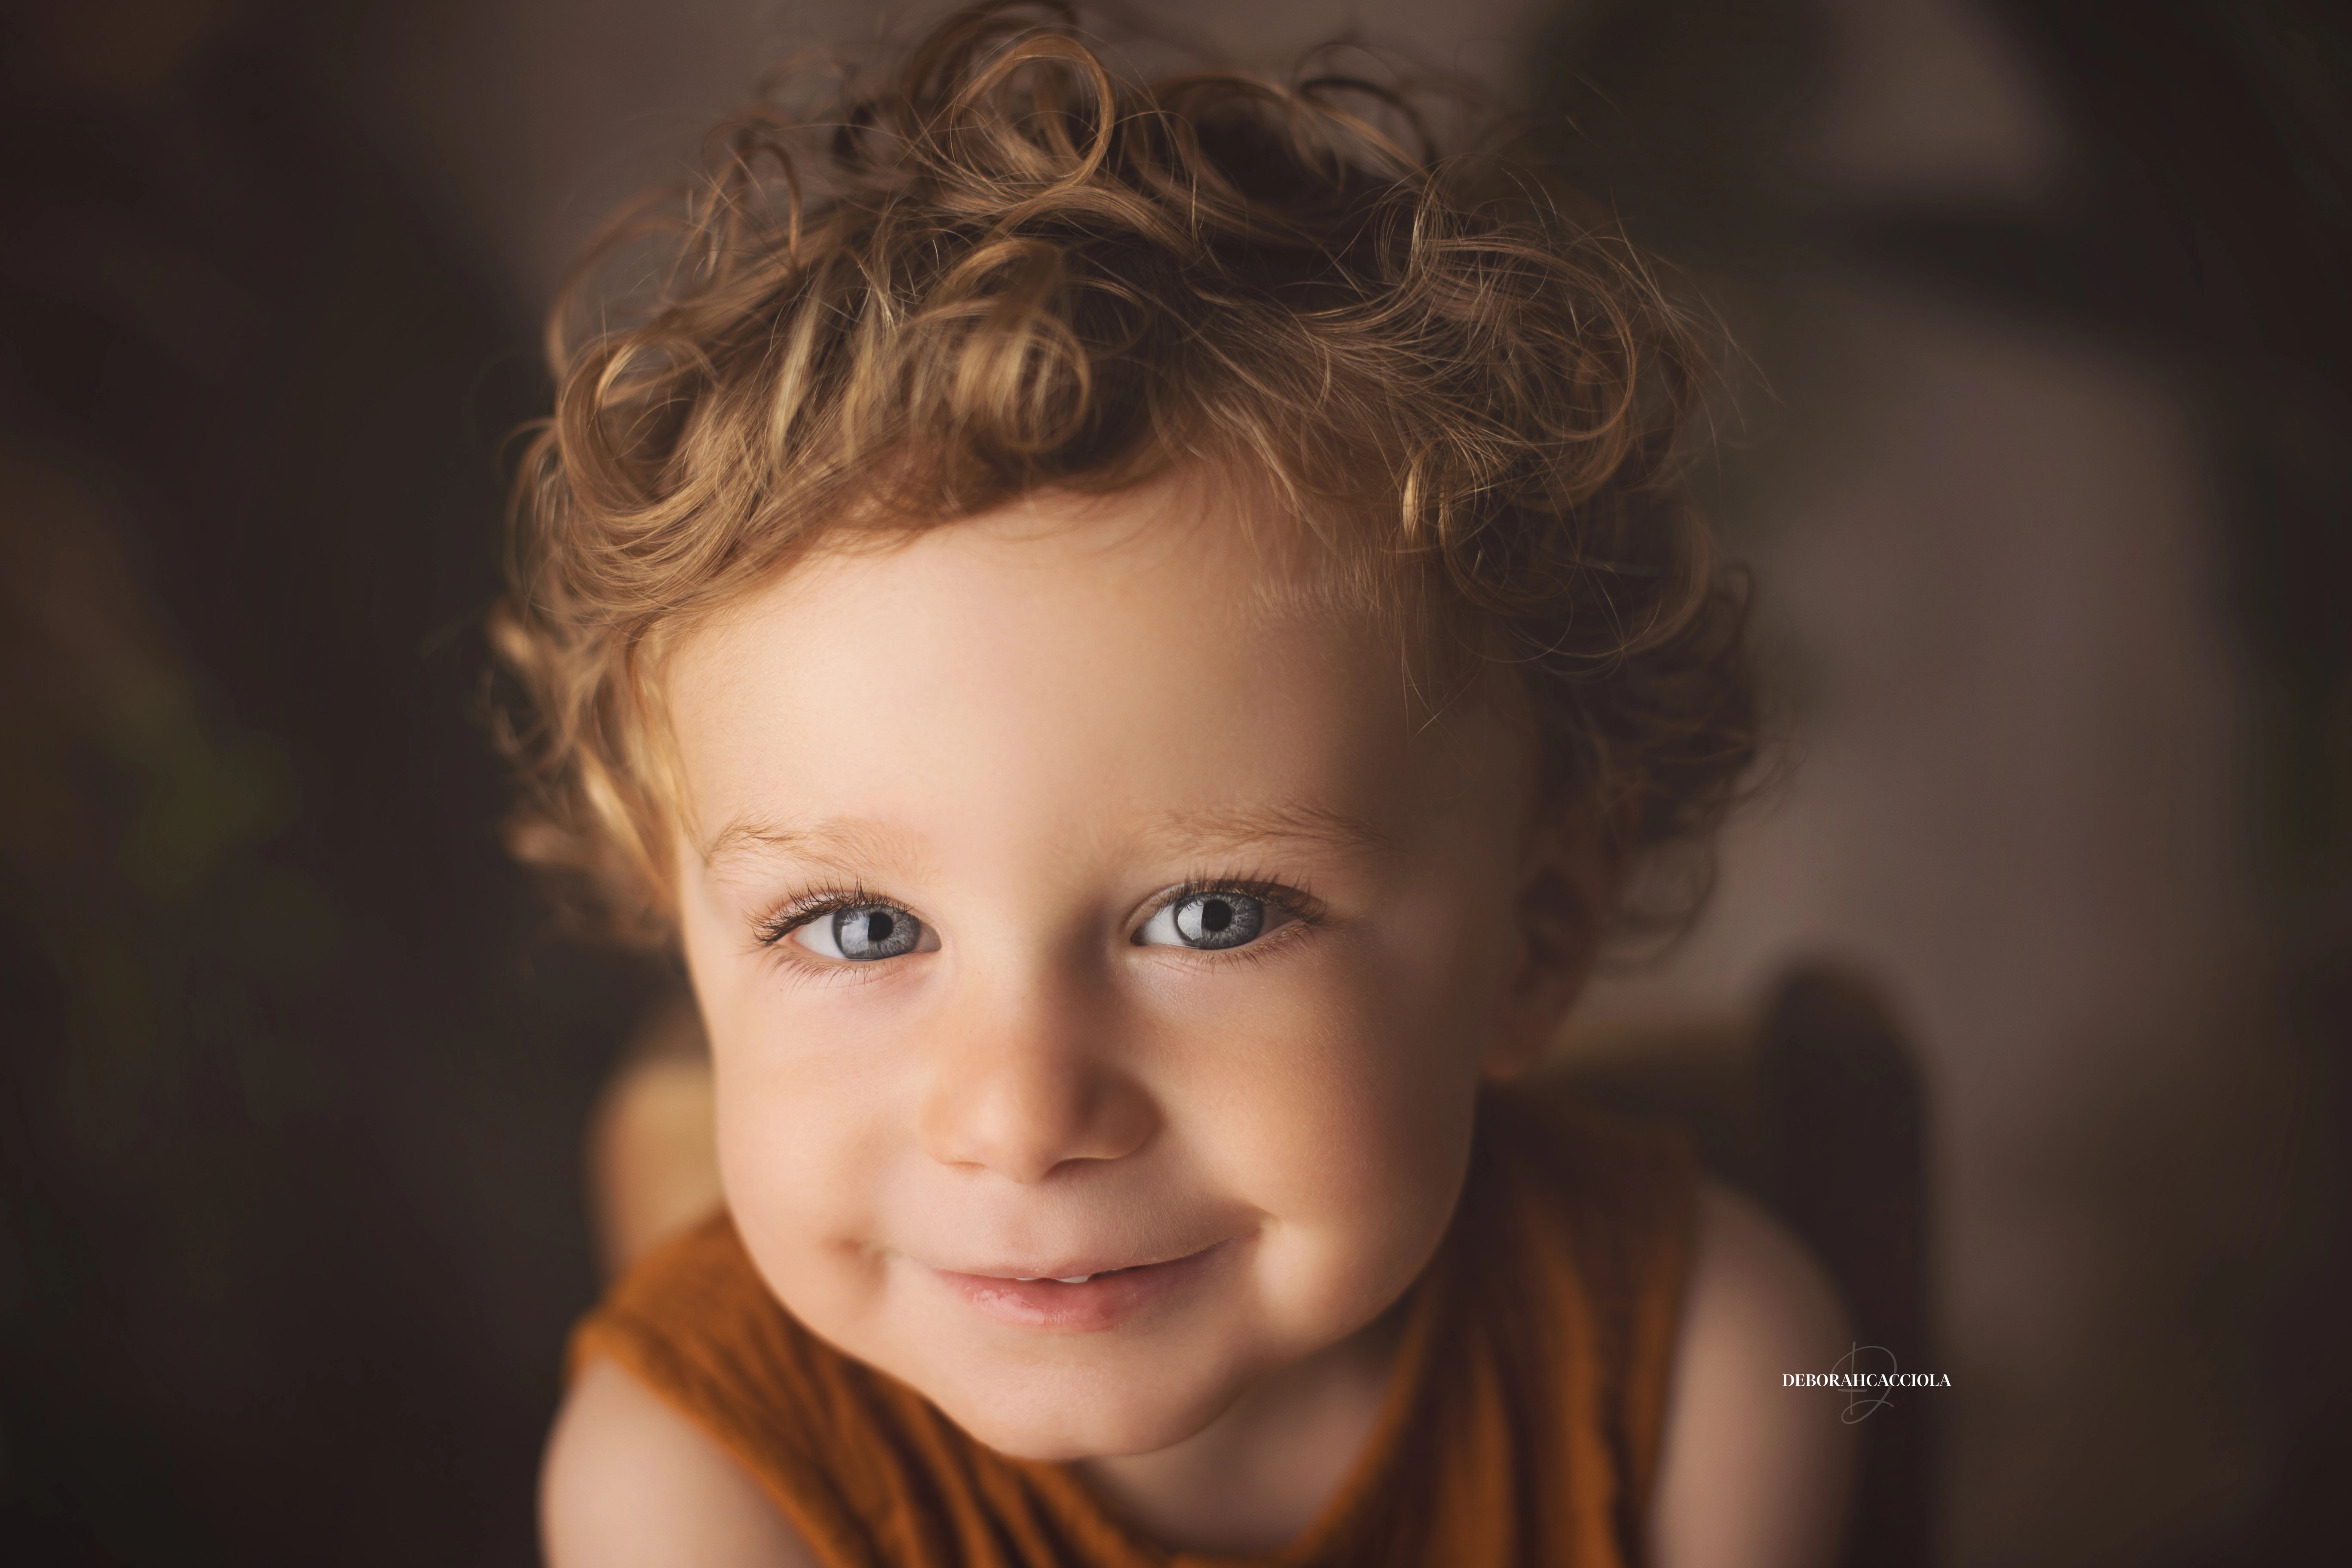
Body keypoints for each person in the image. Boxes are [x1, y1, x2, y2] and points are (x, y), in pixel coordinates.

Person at [504, 4, 1853, 1562]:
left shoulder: (1722, 1372)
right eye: (861, 929)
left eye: (1212, 916)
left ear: (1534, 936)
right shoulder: (687, 1483)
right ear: (684, 937)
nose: (1020, 1116)